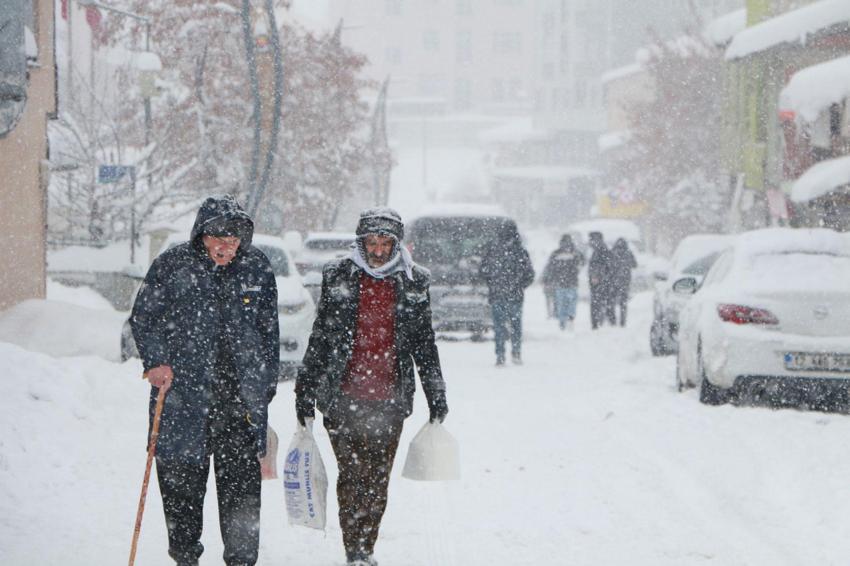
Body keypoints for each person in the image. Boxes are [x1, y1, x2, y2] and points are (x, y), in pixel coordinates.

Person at [130, 195, 279, 566]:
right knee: (181, 492)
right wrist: (156, 361)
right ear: (202, 235)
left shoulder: (256, 268)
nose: (226, 246)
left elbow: (268, 335)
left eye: (234, 238)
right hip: (183, 400)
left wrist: (264, 387)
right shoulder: (172, 265)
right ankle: (185, 558)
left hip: (238, 406)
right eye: (219, 237)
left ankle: (241, 561)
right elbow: (144, 317)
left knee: (242, 496)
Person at [295, 207, 449, 566]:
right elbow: (321, 335)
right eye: (372, 242)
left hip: (389, 399)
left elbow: (424, 342)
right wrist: (304, 388)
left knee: (377, 479)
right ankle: (355, 551)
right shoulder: (338, 274)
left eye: (385, 243)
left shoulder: (414, 280)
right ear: (360, 241)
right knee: (352, 475)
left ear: (397, 243)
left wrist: (436, 391)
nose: (378, 251)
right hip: (342, 395)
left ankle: (367, 546)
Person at [479, 221, 535, 365]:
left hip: (497, 294)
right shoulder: (521, 252)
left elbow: (483, 271)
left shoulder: (492, 250)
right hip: (515, 295)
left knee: (499, 326)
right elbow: (529, 274)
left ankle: (500, 355)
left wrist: (493, 284)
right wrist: (520, 286)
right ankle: (516, 353)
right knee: (516, 326)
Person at [542, 234, 585, 331]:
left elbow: (550, 268)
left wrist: (549, 279)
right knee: (570, 303)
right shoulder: (575, 253)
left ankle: (563, 322)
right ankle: (569, 319)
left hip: (560, 283)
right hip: (571, 283)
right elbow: (582, 262)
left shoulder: (556, 254)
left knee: (561, 304)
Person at [588, 231, 615, 330]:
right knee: (607, 301)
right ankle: (610, 321)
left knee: (596, 302)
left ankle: (596, 323)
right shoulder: (604, 248)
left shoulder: (598, 250)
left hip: (599, 281)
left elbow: (596, 265)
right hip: (606, 280)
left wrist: (595, 276)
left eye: (590, 239)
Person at [610, 238, 637, 327]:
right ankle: (622, 321)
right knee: (623, 303)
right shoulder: (628, 253)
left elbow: (608, 266)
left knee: (612, 302)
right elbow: (634, 265)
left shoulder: (612, 253)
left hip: (613, 281)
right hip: (625, 281)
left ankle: (612, 320)